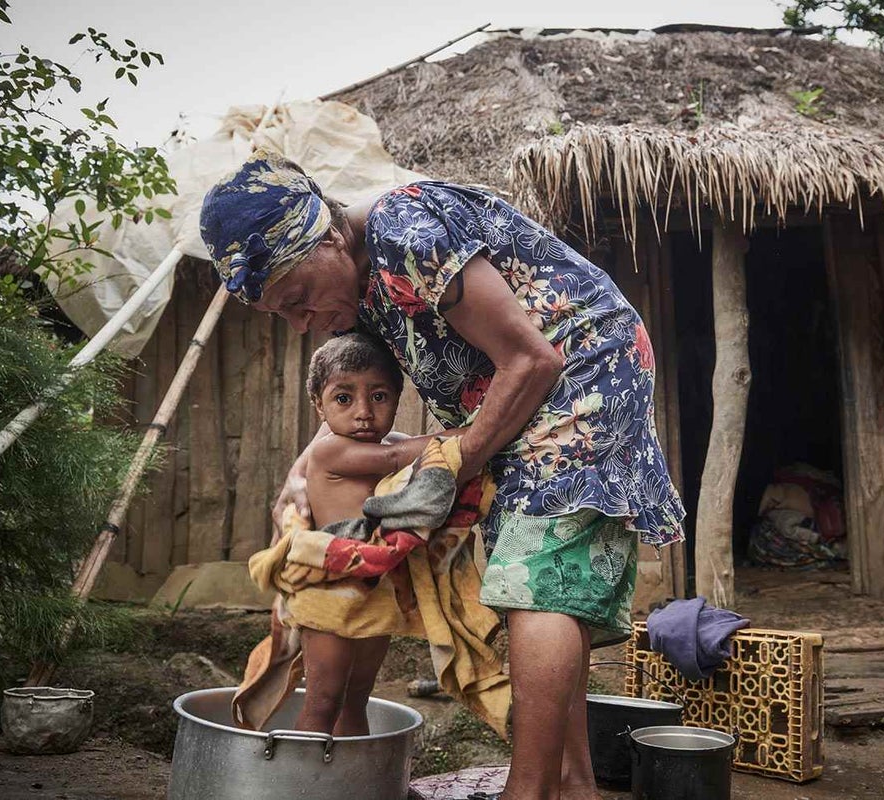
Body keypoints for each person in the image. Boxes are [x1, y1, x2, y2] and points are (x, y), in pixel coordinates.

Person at [200, 149, 685, 800]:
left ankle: (531, 791)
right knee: (529, 579)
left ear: (331, 236)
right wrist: (303, 469)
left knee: (538, 580)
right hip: (517, 398)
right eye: (282, 314)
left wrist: (449, 468)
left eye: (298, 299)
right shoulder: (353, 291)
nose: (301, 322)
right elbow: (348, 402)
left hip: (581, 368)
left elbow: (531, 359)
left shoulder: (405, 232)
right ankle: (572, 785)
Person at [291, 332, 405, 735]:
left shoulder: (392, 445)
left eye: (379, 397)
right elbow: (400, 456)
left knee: (357, 699)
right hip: (331, 593)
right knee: (323, 700)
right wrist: (473, 436)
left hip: (375, 593)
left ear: (397, 398)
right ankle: (303, 787)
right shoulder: (329, 451)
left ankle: (353, 784)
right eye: (344, 398)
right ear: (318, 406)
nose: (363, 413)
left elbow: (407, 449)